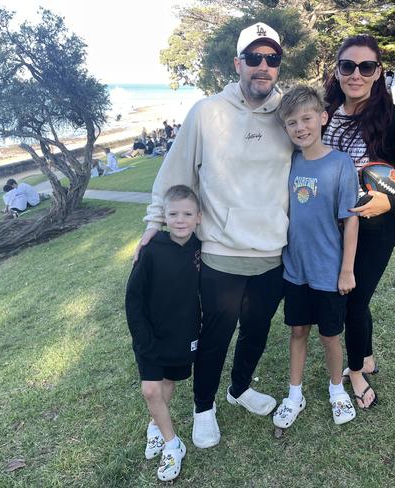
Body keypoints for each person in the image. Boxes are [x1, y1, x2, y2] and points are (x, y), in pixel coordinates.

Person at [133, 21, 293, 449]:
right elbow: (175, 173)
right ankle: (204, 407)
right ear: (238, 63)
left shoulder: (287, 112)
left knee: (257, 332)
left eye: (272, 59)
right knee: (215, 337)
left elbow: (313, 153)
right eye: (255, 58)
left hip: (273, 253)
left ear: (278, 65)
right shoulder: (206, 112)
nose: (263, 66)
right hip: (221, 254)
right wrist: (154, 223)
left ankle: (239, 389)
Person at [323, 34, 395, 409]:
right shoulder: (324, 114)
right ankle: (363, 353)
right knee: (350, 297)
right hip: (330, 226)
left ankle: (355, 372)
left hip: (375, 227)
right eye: (348, 66)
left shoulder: (393, 117)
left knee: (354, 299)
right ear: (337, 71)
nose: (356, 74)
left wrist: (390, 201)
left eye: (366, 67)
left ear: (378, 72)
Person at [271, 85, 359, 430]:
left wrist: (347, 269)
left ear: (323, 118)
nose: (300, 128)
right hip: (295, 270)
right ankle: (295, 394)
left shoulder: (340, 164)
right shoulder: (289, 163)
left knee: (330, 335)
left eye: (306, 118)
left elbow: (350, 219)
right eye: (291, 123)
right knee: (297, 331)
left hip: (329, 270)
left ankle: (337, 389)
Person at [125, 185, 202, 482]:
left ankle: (156, 426)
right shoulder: (151, 249)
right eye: (173, 214)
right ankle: (173, 444)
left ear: (198, 217)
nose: (180, 220)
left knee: (168, 381)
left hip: (183, 333)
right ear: (163, 217)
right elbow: (133, 298)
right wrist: (141, 336)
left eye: (187, 214)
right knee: (150, 389)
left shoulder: (201, 247)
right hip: (149, 334)